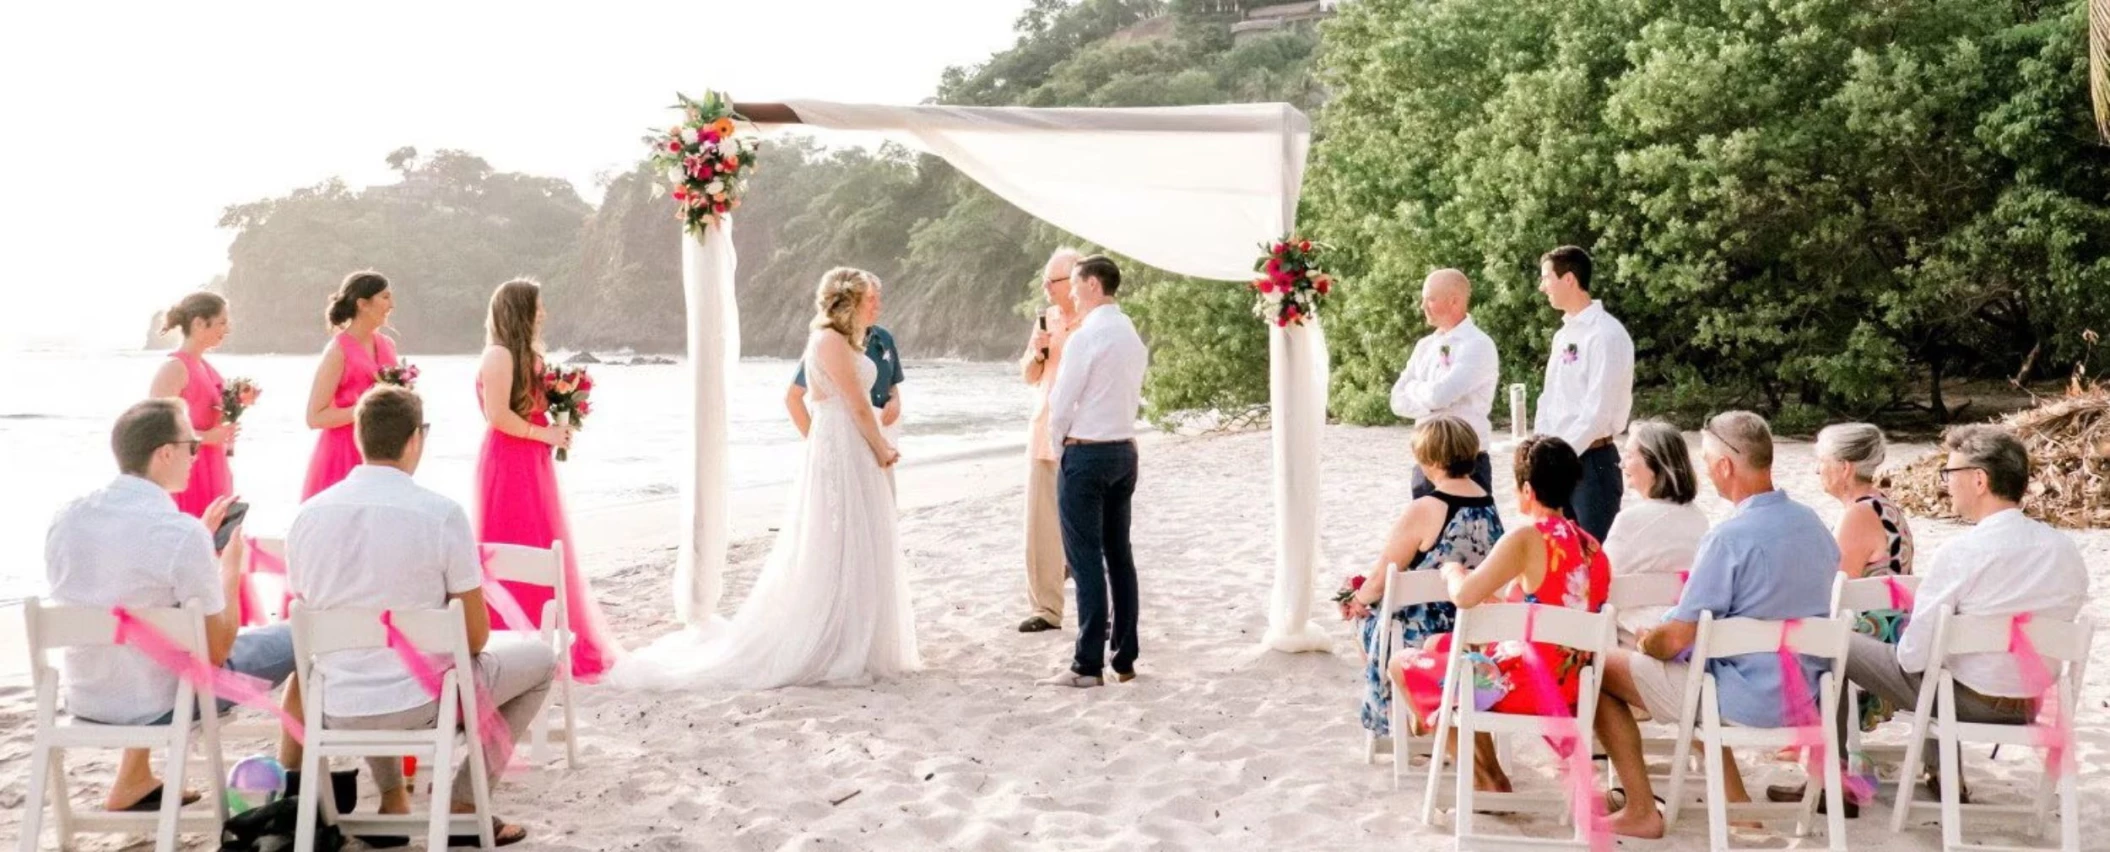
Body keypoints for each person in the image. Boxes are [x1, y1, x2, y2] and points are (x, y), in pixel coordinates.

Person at [609, 268, 918, 691]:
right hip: (843, 444)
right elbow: (858, 406)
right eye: (868, 298)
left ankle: (857, 634)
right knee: (838, 538)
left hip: (848, 444)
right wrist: (880, 447)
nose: (875, 305)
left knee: (859, 537)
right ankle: (837, 639)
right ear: (848, 301)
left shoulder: (847, 341)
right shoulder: (827, 339)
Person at [1767, 425, 2087, 809]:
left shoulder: (1964, 552)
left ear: (1979, 480)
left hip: (1968, 701)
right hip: (2036, 703)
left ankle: (1833, 783)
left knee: (1836, 642)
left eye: (1950, 474)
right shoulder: (2065, 550)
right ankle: (1941, 771)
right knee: (1944, 661)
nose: (1946, 485)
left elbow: (1912, 657)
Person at [288, 386, 551, 847]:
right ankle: (466, 806)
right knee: (542, 662)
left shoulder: (307, 517)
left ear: (357, 436)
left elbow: (308, 615)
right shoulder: (441, 515)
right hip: (422, 706)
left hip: (335, 704)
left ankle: (393, 797)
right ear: (416, 439)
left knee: (368, 655)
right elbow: (474, 636)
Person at [44, 399, 299, 812]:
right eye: (192, 446)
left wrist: (197, 542)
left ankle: (133, 780)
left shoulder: (67, 517)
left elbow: (120, 584)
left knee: (143, 652)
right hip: (160, 705)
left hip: (88, 698)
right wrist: (228, 569)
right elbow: (217, 651)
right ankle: (296, 789)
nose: (196, 456)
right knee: (299, 636)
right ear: (165, 453)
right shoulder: (177, 534)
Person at [1592, 411, 1838, 839]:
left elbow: (1676, 638)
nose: (1704, 469)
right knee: (1700, 672)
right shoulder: (1814, 526)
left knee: (1597, 667)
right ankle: (1736, 805)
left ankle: (1640, 807)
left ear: (1725, 466)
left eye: (1707, 460)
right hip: (1807, 693)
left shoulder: (1729, 538)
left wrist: (1648, 642)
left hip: (1738, 699)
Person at [473, 279, 621, 682]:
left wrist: (561, 418)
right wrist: (547, 434)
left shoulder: (527, 355)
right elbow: (498, 416)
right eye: (537, 306)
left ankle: (546, 635)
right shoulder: (499, 354)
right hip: (508, 462)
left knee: (542, 537)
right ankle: (509, 638)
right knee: (513, 537)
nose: (544, 313)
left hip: (532, 460)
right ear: (520, 309)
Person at [1340, 416, 1503, 746]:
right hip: (1474, 630)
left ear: (1433, 461)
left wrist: (1356, 599)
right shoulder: (1489, 507)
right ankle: (1419, 719)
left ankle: (1407, 721)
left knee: (1363, 625)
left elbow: (1382, 575)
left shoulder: (1426, 507)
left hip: (1424, 633)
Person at [1037, 255, 1149, 689]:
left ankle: (1086, 665)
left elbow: (1062, 403)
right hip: (1124, 450)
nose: (1074, 294)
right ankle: (1125, 657)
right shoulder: (1130, 334)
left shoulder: (1087, 337)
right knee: (1120, 556)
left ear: (1095, 286)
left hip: (1087, 454)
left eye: (1078, 285)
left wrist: (1058, 446)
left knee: (1085, 561)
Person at [1815, 422, 1916, 732]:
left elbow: (1835, 594)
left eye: (1821, 461)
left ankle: (1822, 747)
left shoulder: (1858, 515)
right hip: (1898, 634)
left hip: (1873, 646)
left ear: (1845, 468)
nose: (1817, 470)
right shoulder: (1885, 505)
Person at [1532, 245, 1633, 541]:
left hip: (1592, 463)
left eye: (1546, 277)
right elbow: (1549, 398)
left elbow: (1597, 411)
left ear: (1569, 279)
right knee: (1557, 552)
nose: (1542, 287)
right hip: (1559, 460)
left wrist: (1557, 455)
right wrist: (1538, 449)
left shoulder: (1606, 334)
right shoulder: (1564, 335)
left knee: (1593, 553)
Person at [1017, 248, 1083, 633]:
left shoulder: (1093, 319)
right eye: (1044, 279)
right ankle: (1046, 608)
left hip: (1084, 432)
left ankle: (1100, 607)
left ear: (1074, 281)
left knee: (1088, 523)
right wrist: (1038, 354)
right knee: (1040, 524)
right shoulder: (1047, 319)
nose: (1044, 287)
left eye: (1051, 281)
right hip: (1044, 431)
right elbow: (1027, 373)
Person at [1389, 269, 1499, 496]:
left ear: (1454, 301)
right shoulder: (1425, 346)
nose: (1422, 306)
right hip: (1426, 461)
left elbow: (1441, 395)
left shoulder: (1478, 345)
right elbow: (1396, 401)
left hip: (1466, 463)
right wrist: (1430, 398)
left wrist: (1415, 389)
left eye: (1429, 298)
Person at [1599, 419, 1708, 638]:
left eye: (1629, 456)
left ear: (1654, 465)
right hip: (1686, 641)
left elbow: (1601, 584)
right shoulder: (1700, 520)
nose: (1621, 464)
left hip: (1630, 641)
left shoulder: (1629, 521)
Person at [302, 271, 399, 500]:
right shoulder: (337, 351)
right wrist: (367, 409)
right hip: (343, 452)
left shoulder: (388, 345)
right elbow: (314, 417)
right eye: (385, 297)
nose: (392, 305)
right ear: (363, 304)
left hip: (382, 452)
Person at [148, 292, 240, 517]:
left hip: (213, 468)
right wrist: (209, 437)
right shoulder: (175, 368)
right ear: (199, 323)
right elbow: (156, 430)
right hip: (187, 475)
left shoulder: (205, 366)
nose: (226, 330)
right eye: (222, 323)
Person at [788, 274, 903, 449]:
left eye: (878, 298)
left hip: (885, 433)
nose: (878, 305)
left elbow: (892, 384)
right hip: (846, 442)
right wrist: (818, 445)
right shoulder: (830, 343)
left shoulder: (884, 338)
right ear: (854, 301)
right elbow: (793, 397)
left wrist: (896, 402)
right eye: (871, 299)